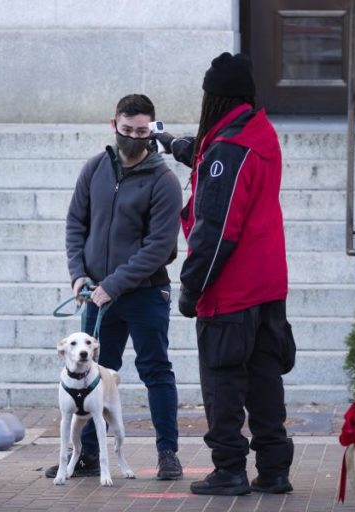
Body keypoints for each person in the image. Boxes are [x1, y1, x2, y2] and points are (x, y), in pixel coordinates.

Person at [155, 53, 297, 496]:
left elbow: (216, 229)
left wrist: (191, 288)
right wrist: (177, 145)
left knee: (223, 384)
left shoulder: (229, 151)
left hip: (231, 291)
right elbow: (211, 157)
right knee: (265, 383)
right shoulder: (258, 132)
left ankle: (229, 469)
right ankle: (274, 470)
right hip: (268, 286)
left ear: (214, 99)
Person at [44, 93, 184, 481]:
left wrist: (115, 284)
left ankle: (167, 453)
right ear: (113, 125)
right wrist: (78, 274)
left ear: (152, 130)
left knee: (156, 370)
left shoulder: (164, 180)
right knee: (93, 375)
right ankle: (86, 454)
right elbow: (75, 224)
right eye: (127, 130)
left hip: (144, 293)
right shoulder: (94, 169)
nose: (134, 137)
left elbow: (158, 247)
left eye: (142, 131)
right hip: (97, 294)